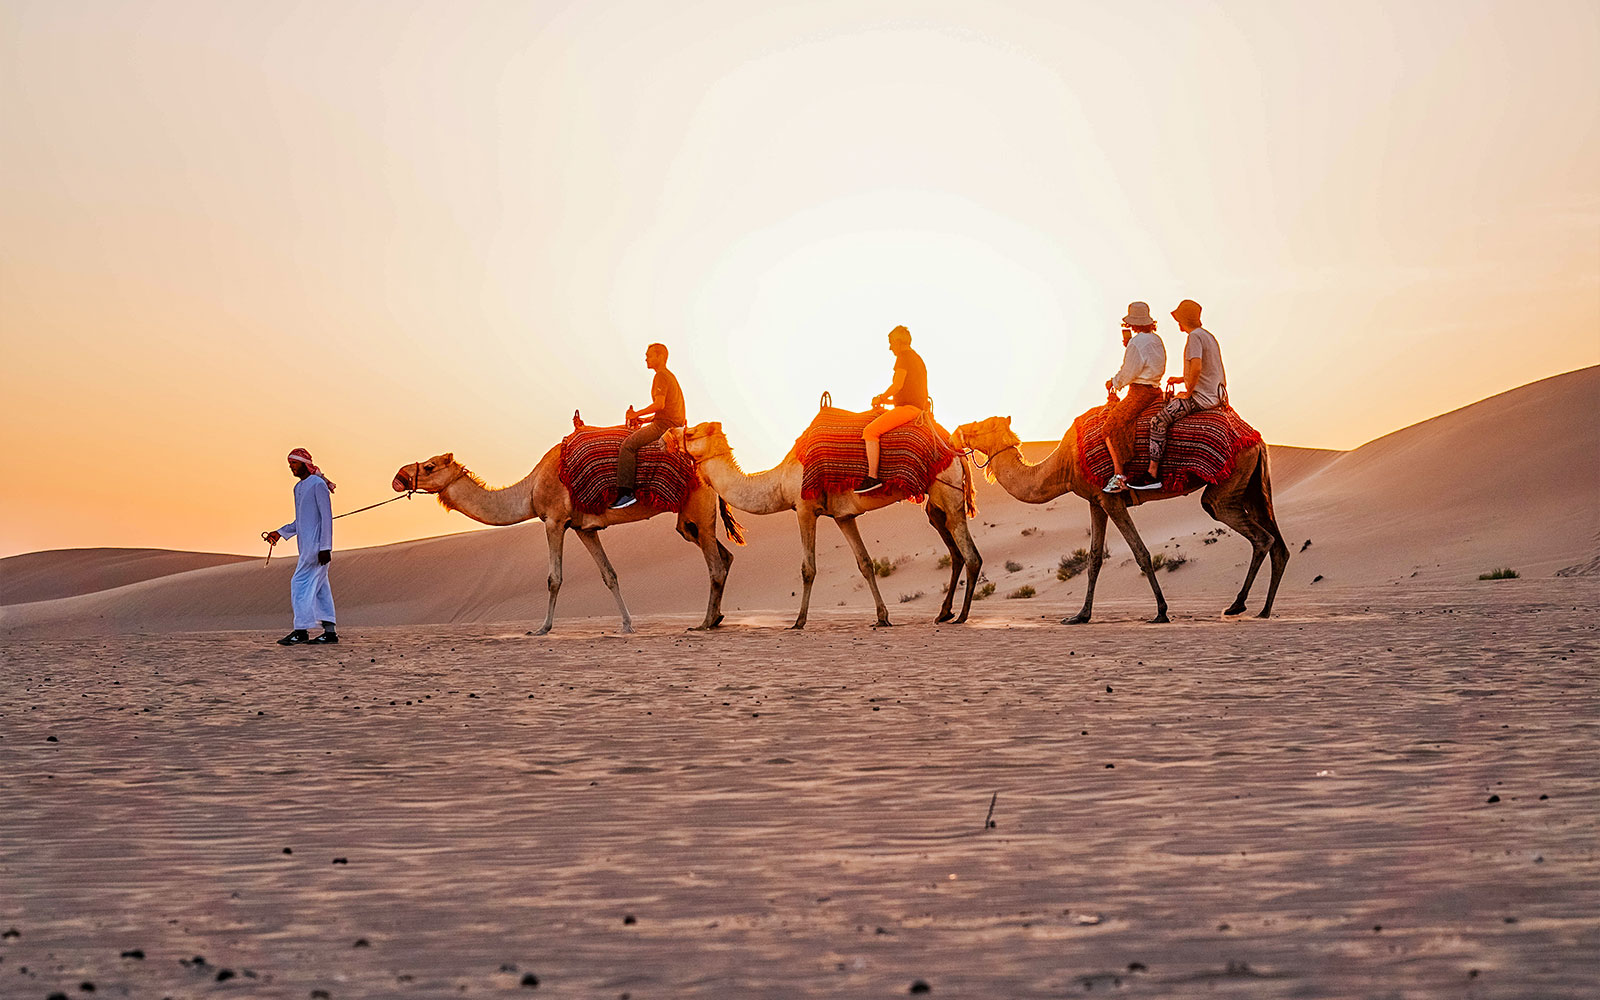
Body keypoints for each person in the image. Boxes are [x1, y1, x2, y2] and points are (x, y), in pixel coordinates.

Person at [1146, 299, 1228, 482]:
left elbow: (1197, 367)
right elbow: (1208, 369)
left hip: (1202, 398)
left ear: (1182, 320)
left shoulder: (1194, 337)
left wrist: (1188, 392)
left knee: (1158, 421)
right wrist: (1182, 379)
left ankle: (1152, 473)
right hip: (1217, 395)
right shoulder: (1208, 336)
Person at [263, 448, 338, 645]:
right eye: (290, 464)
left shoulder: (317, 485)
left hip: (317, 548)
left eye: (294, 463)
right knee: (321, 588)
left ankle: (301, 630)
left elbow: (326, 518)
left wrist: (325, 547)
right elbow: (301, 521)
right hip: (306, 547)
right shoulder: (298, 488)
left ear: (304, 463)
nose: (291, 467)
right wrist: (279, 533)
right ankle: (330, 632)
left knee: (299, 584)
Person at [1101, 302, 1167, 493]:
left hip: (1140, 392)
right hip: (1155, 389)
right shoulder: (1156, 340)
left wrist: (1113, 382)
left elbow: (1129, 371)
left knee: (1109, 427)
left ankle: (1119, 476)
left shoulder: (1136, 343)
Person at [611, 343, 687, 509]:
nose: (646, 358)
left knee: (628, 446)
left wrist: (635, 414)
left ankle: (626, 493)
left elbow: (659, 404)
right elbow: (665, 409)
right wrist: (644, 420)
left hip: (664, 426)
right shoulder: (669, 376)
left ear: (660, 357)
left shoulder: (660, 376)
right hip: (669, 422)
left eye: (650, 355)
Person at [857, 324, 928, 494]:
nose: (890, 348)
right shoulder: (916, 358)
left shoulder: (903, 357)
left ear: (898, 342)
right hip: (915, 408)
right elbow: (907, 392)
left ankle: (872, 478)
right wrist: (887, 402)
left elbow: (897, 385)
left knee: (870, 431)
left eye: (891, 343)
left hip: (909, 410)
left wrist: (881, 397)